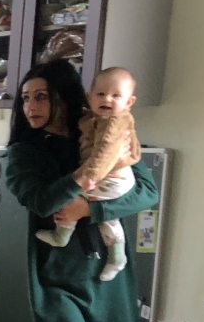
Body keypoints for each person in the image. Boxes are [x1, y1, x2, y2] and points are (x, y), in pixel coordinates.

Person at [4, 60, 158, 322]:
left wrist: (90, 209)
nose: (31, 106)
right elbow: (41, 202)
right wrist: (82, 177)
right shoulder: (24, 152)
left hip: (108, 281)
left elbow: (147, 192)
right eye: (26, 98)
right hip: (58, 279)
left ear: (63, 97)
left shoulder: (102, 130)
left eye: (41, 97)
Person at [37, 67, 142, 284]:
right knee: (106, 216)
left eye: (116, 96)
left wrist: (88, 177)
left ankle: (62, 235)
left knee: (71, 198)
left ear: (129, 102)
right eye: (101, 94)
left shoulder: (114, 123)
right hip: (112, 177)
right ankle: (116, 256)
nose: (107, 99)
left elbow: (105, 152)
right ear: (89, 97)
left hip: (112, 177)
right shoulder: (95, 119)